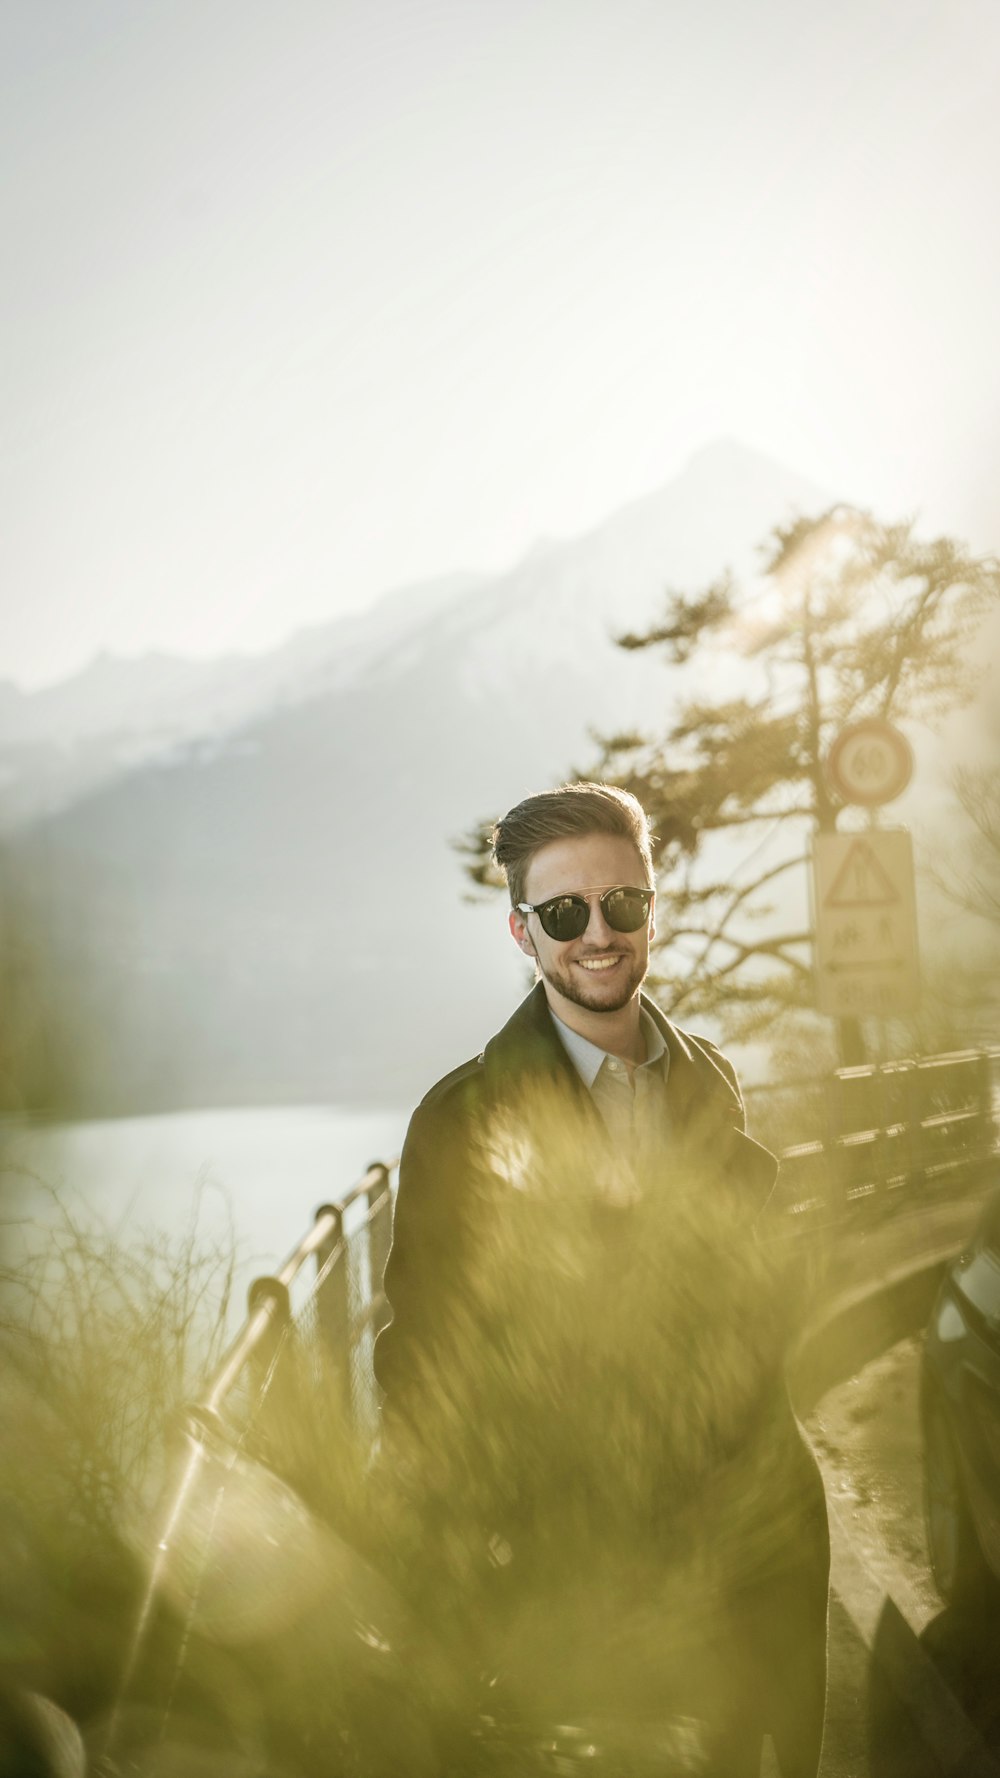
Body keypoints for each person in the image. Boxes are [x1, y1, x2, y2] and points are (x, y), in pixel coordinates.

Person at [374, 781, 829, 1777]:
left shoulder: (708, 1081)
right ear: (520, 931)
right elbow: (419, 1372)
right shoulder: (456, 1123)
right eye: (563, 912)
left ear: (651, 908)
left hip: (742, 1579)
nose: (597, 934)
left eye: (621, 903)